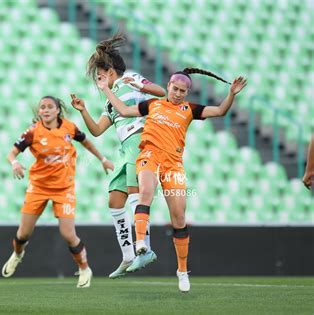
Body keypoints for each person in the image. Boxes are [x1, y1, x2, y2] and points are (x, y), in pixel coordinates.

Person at [97, 68, 247, 292]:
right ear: (168, 86)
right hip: (149, 155)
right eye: (175, 89)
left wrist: (231, 94)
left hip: (173, 165)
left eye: (182, 91)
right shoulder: (152, 105)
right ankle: (141, 244)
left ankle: (182, 271)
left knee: (178, 218)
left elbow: (219, 111)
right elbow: (124, 110)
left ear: (187, 92)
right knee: (145, 193)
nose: (178, 93)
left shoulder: (189, 110)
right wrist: (107, 90)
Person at [70, 34, 166, 278]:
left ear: (110, 71)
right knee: (115, 200)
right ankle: (128, 256)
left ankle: (144, 247)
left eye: (100, 75)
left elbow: (160, 91)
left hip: (140, 139)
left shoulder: (130, 78)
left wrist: (142, 86)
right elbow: (97, 131)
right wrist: (83, 111)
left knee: (136, 192)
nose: (98, 81)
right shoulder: (110, 102)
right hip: (125, 148)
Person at [1, 95, 114, 288]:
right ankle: (18, 254)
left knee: (68, 234)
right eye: (42, 107)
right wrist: (15, 163)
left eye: (49, 107)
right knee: (23, 235)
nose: (45, 110)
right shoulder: (32, 132)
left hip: (64, 188)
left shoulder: (69, 128)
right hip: (38, 187)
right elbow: (11, 153)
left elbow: (86, 141)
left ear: (57, 111)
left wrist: (103, 159)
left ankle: (85, 269)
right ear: (39, 112)